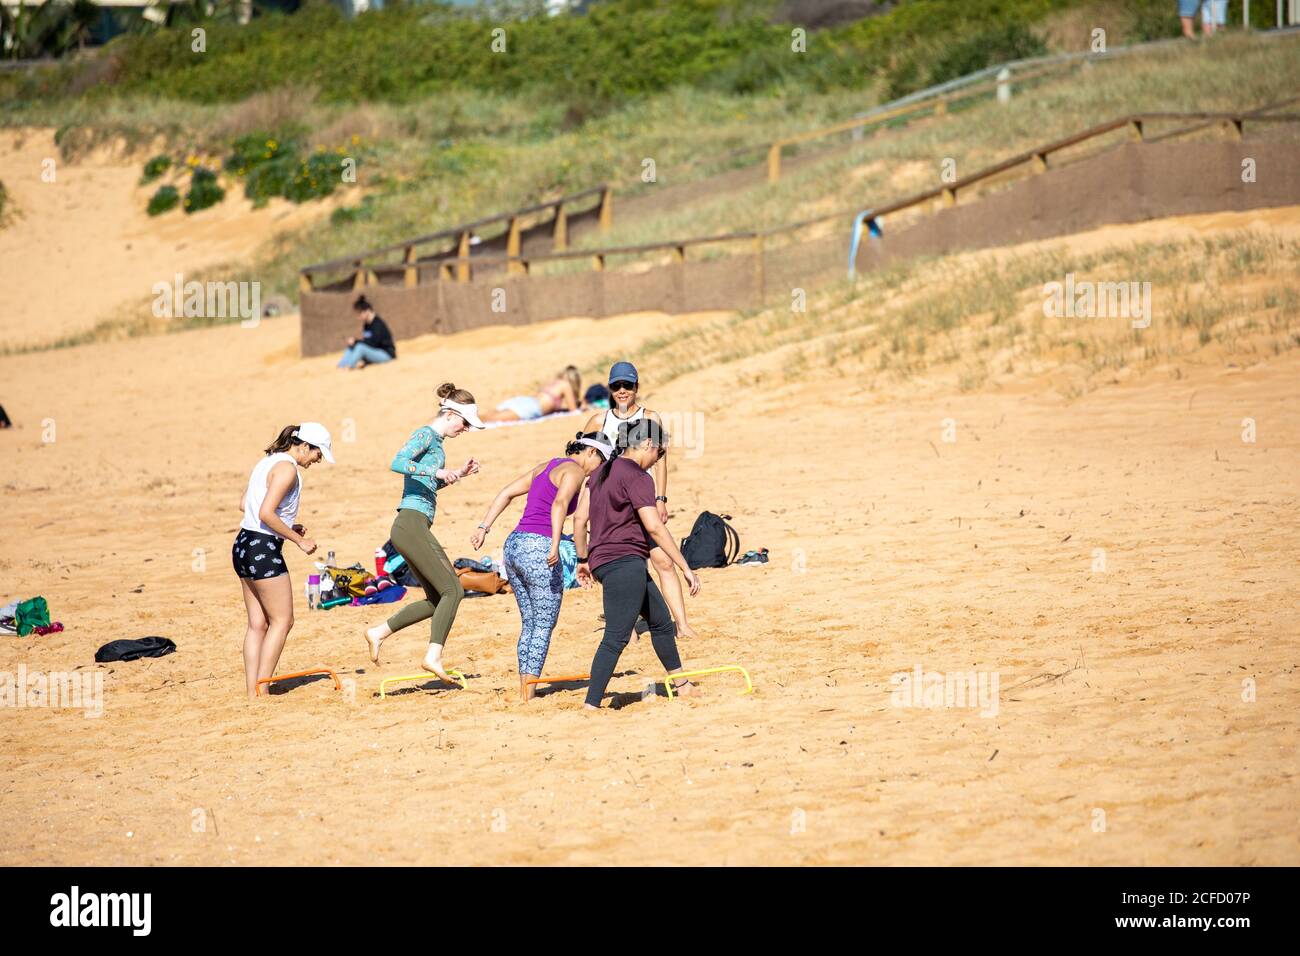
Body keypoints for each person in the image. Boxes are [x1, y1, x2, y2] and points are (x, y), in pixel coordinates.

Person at [471, 431, 614, 700]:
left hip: (514, 546)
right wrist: (555, 543)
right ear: (591, 453)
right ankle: (529, 693)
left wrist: (484, 527)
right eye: (603, 463)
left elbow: (507, 492)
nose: (601, 470)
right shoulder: (573, 471)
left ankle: (526, 689)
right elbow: (560, 504)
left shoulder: (546, 466)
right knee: (544, 624)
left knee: (530, 623)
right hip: (539, 547)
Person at [575, 417, 700, 710]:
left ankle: (681, 685)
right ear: (647, 444)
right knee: (616, 637)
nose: (658, 459)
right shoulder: (638, 477)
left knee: (659, 622)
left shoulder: (601, 471)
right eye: (660, 453)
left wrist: (583, 558)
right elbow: (654, 527)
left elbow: (580, 519)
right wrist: (685, 566)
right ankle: (591, 704)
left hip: (605, 560)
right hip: (624, 562)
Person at [363, 383, 483, 681]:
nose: (465, 429)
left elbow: (427, 483)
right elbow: (398, 462)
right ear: (451, 414)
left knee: (436, 598)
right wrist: (437, 471)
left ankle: (378, 632)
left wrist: (455, 475)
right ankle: (433, 657)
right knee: (454, 590)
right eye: (465, 423)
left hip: (414, 524)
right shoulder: (425, 435)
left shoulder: (438, 445)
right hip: (410, 523)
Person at [581, 360, 699, 639]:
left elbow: (660, 462)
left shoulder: (651, 417)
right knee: (621, 563)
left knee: (663, 561)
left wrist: (661, 498)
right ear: (610, 389)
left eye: (627, 385)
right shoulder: (599, 420)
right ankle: (626, 626)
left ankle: (681, 625)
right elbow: (585, 460)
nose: (622, 391)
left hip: (641, 497)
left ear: (636, 387)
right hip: (610, 500)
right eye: (616, 386)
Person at [234, 422, 334, 699]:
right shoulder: (288, 468)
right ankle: (263, 689)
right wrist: (297, 539)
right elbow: (266, 512)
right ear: (304, 446)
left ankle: (252, 693)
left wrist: (288, 524)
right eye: (317, 453)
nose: (318, 459)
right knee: (283, 621)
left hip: (243, 544)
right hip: (263, 549)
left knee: (257, 624)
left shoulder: (267, 461)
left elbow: (245, 504)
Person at [481, 366, 583, 422]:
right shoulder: (565, 385)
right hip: (532, 407)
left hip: (525, 400)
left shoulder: (554, 382)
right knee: (491, 419)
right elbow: (573, 411)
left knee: (489, 415)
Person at [337, 295, 396, 370]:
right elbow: (367, 341)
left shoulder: (378, 324)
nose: (358, 317)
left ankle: (349, 366)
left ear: (367, 311)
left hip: (386, 354)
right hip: (375, 352)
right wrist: (354, 342)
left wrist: (356, 341)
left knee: (360, 347)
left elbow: (373, 343)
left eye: (359, 314)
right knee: (352, 346)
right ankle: (341, 365)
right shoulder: (366, 325)